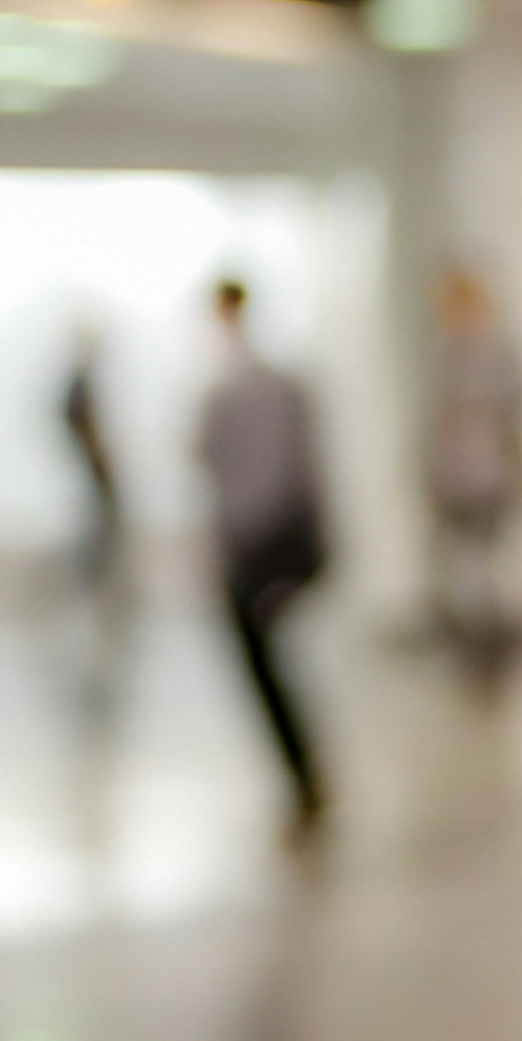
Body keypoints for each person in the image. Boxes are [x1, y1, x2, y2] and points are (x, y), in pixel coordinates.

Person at [195, 277, 331, 833]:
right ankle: (303, 775)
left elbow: (293, 472)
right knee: (266, 663)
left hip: (263, 544)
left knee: (270, 662)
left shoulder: (261, 386)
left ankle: (306, 775)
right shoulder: (228, 386)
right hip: (245, 542)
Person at [422, 262, 522, 673]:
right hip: (455, 478)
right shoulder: (442, 356)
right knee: (463, 567)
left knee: (494, 564)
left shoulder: (499, 355)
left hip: (491, 478)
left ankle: (499, 646)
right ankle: (471, 647)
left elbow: (517, 421)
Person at [56, 321, 123, 595]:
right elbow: (75, 419)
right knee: (96, 531)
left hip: (97, 466)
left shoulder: (83, 381)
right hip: (93, 466)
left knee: (103, 529)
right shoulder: (79, 383)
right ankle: (88, 582)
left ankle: (97, 581)